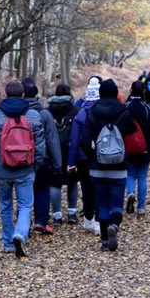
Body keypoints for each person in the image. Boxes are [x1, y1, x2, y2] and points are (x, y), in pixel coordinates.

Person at [0, 80, 46, 257]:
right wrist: (34, 165)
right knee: (25, 205)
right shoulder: (33, 116)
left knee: (5, 204)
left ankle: (8, 242)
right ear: (23, 95)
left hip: (2, 169)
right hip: (26, 168)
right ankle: (20, 233)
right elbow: (40, 145)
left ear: (5, 95)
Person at [76, 78, 138, 252]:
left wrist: (92, 157)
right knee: (117, 203)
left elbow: (84, 141)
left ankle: (104, 241)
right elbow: (133, 130)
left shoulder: (92, 113)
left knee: (102, 203)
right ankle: (115, 227)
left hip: (98, 167)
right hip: (119, 165)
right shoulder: (123, 112)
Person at [23, 77, 62, 235]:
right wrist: (58, 163)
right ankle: (41, 221)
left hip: (21, 160)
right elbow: (52, 139)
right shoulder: (44, 113)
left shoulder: (17, 113)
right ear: (36, 96)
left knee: (24, 192)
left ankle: (24, 222)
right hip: (43, 160)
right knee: (42, 190)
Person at [68, 76, 102, 233]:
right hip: (100, 157)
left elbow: (74, 141)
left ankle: (89, 218)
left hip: (82, 159)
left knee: (87, 189)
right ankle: (97, 221)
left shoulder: (80, 115)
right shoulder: (102, 113)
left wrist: (71, 162)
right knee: (99, 188)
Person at [124, 79, 150, 217]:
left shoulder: (125, 107)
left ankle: (130, 193)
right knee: (142, 177)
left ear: (131, 90)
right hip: (145, 150)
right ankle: (141, 207)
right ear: (144, 91)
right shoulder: (148, 109)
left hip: (128, 149)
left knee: (130, 174)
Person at [46, 82, 79, 224]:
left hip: (53, 151)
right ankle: (72, 213)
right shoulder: (75, 110)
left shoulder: (48, 111)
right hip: (71, 150)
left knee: (55, 183)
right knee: (72, 182)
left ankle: (57, 216)